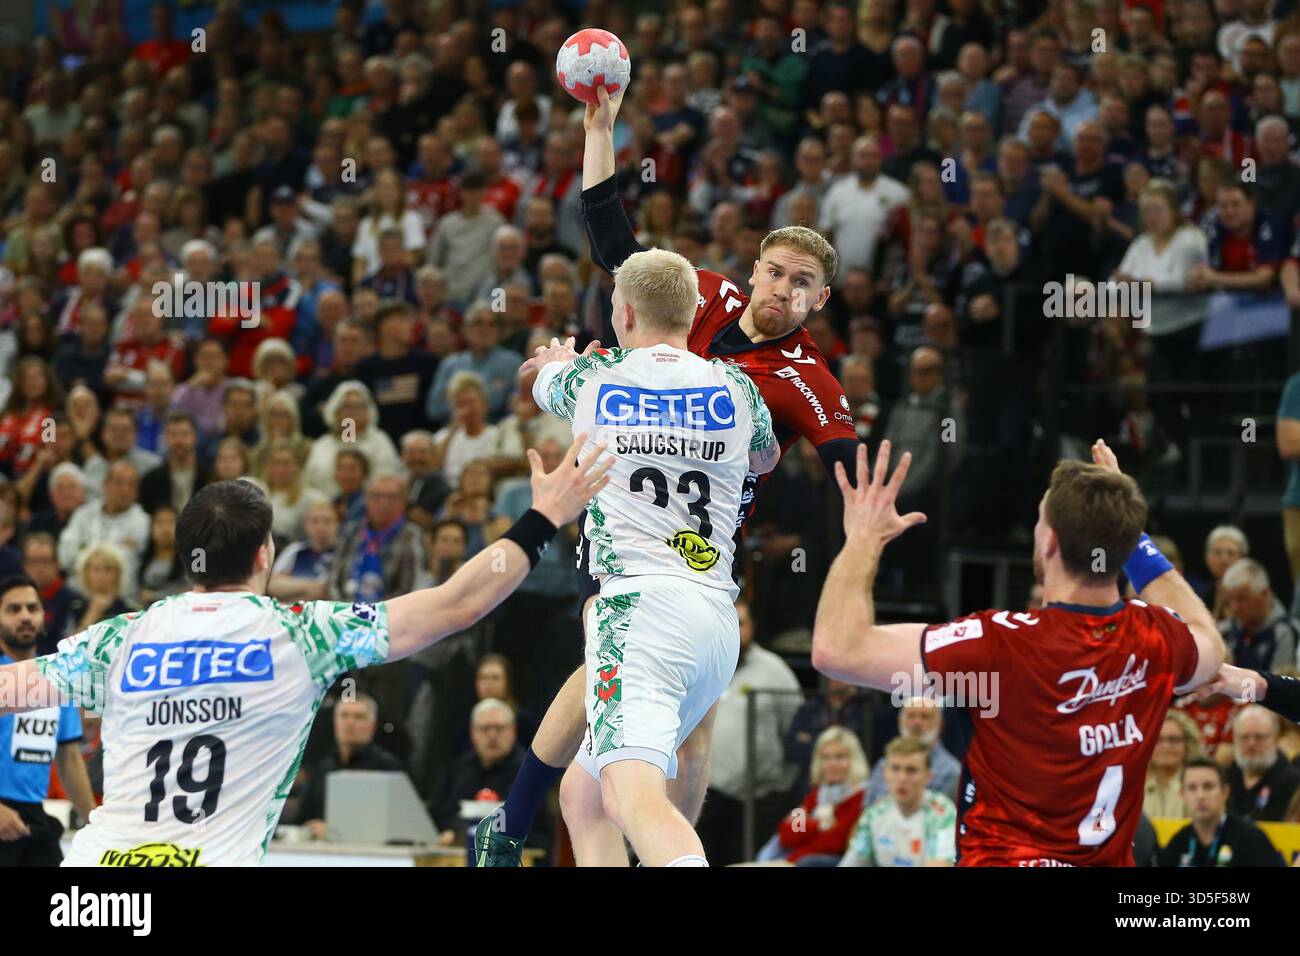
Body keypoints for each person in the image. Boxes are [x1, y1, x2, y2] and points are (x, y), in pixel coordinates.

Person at [474, 82, 860, 867]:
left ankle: (563, 831)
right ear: (754, 269)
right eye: (776, 273)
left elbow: (849, 468)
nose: (783, 291)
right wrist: (600, 130)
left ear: (821, 300)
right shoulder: (699, 296)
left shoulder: (806, 377)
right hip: (645, 539)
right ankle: (523, 821)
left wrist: (863, 535)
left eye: (802, 285)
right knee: (605, 745)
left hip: (703, 550)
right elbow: (612, 237)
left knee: (672, 735)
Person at [0, 435, 610, 865]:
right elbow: (456, 604)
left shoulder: (118, 638)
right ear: (266, 555)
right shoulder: (301, 634)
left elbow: (11, 690)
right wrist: (543, 514)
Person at [813, 438, 1224, 865]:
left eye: (1040, 520)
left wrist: (863, 539)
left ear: (1050, 543)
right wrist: (1127, 534)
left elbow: (836, 649)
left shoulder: (998, 643)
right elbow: (1209, 640)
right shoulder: (1153, 639)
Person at [514, 245, 778, 868]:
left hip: (637, 612)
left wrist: (556, 360)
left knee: (633, 798)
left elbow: (541, 378)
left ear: (624, 314)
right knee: (583, 794)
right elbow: (764, 457)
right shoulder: (736, 386)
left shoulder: (593, 380)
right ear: (691, 316)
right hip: (715, 617)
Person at [0, 575, 96, 865]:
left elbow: (69, 759)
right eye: (13, 609)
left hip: (34, 819)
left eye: (32, 608)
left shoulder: (58, 676)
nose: (25, 616)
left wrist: (96, 823)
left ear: (44, 615)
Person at [429, 698, 552, 862]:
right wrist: (455, 833)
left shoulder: (528, 773)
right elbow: (438, 816)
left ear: (513, 731)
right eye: (485, 729)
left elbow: (540, 833)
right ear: (472, 733)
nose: (492, 735)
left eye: (499, 728)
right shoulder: (459, 770)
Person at [292, 694, 403, 840]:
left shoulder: (387, 767)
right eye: (344, 716)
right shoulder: (323, 767)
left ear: (372, 726)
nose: (350, 722)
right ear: (335, 723)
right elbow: (303, 818)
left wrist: (334, 832)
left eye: (359, 717)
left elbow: (395, 825)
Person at [839, 737, 958, 867]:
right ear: (885, 773)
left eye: (911, 770)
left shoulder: (942, 813)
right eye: (895, 769)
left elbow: (939, 865)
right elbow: (852, 862)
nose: (902, 778)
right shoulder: (874, 814)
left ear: (928, 776)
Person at [765, 726, 867, 866]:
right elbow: (786, 834)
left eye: (840, 757)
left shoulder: (860, 796)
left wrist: (806, 824)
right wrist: (819, 824)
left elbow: (834, 843)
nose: (832, 764)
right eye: (825, 758)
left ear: (854, 760)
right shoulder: (817, 793)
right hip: (792, 860)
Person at [1157, 757, 1285, 867]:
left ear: (1225, 792)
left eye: (1208, 787)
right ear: (1182, 794)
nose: (1200, 795)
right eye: (1192, 788)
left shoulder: (1251, 839)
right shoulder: (1179, 842)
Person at [864, 700, 961, 803]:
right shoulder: (883, 764)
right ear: (899, 721)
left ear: (940, 724)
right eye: (911, 716)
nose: (917, 723)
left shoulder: (951, 772)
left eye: (925, 717)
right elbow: (866, 811)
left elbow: (943, 813)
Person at [1217, 559, 1299, 671]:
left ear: (1265, 594)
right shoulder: (1224, 631)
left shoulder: (1286, 632)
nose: (1235, 607)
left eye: (1242, 598)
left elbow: (1280, 684)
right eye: (1230, 600)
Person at [1224, 705, 1300, 822]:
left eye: (1259, 737)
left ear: (1275, 739)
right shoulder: (1225, 779)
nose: (1251, 744)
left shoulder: (1293, 783)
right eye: (1244, 737)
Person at [1144, 710, 1202, 819]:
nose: (1165, 746)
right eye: (1158, 740)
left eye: (1173, 740)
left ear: (1187, 744)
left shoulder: (1198, 787)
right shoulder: (1137, 789)